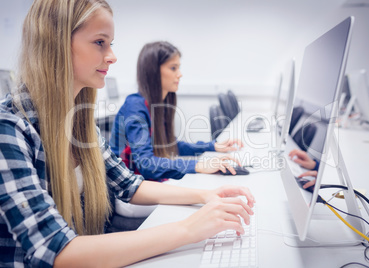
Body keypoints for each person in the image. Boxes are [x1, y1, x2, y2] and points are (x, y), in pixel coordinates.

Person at [0, 1, 255, 267]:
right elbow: (54, 251)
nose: (112, 56)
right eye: (100, 42)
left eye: (111, 44)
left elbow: (130, 185)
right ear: (56, 43)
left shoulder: (80, 122)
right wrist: (189, 229)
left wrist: (206, 196)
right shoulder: (9, 128)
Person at [109, 41, 244, 181]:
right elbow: (147, 164)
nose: (180, 74)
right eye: (173, 68)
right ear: (153, 71)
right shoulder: (135, 107)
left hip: (147, 184)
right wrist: (199, 165)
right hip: (129, 192)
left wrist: (212, 146)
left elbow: (170, 144)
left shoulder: (158, 104)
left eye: (178, 68)